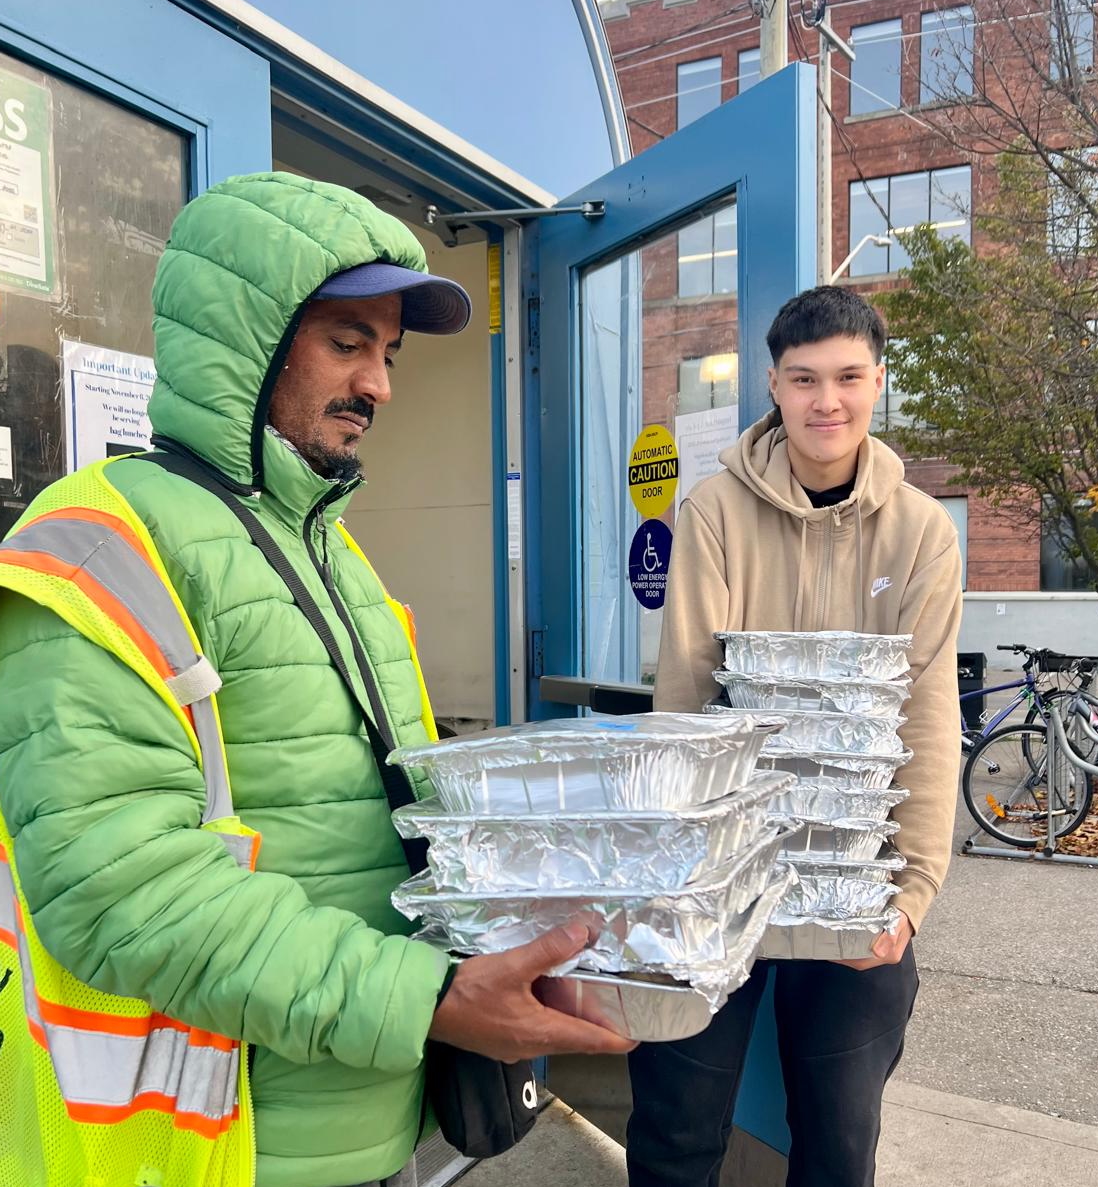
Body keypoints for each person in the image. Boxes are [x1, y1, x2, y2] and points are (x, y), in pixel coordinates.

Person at [0, 172, 633, 1187]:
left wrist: (505, 952)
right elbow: (118, 887)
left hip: (365, 1124)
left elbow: (394, 819)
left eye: (386, 352)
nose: (379, 384)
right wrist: (428, 1000)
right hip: (213, 1147)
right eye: (347, 342)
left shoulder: (335, 555)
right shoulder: (100, 541)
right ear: (248, 338)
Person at [626, 286, 962, 1187]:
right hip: (721, 880)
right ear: (772, 385)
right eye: (805, 378)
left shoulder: (922, 530)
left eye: (849, 377)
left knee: (840, 1143)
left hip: (858, 881)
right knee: (675, 1123)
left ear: (877, 382)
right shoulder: (714, 512)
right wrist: (679, 876)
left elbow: (926, 713)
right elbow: (689, 694)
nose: (828, 401)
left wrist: (914, 891)